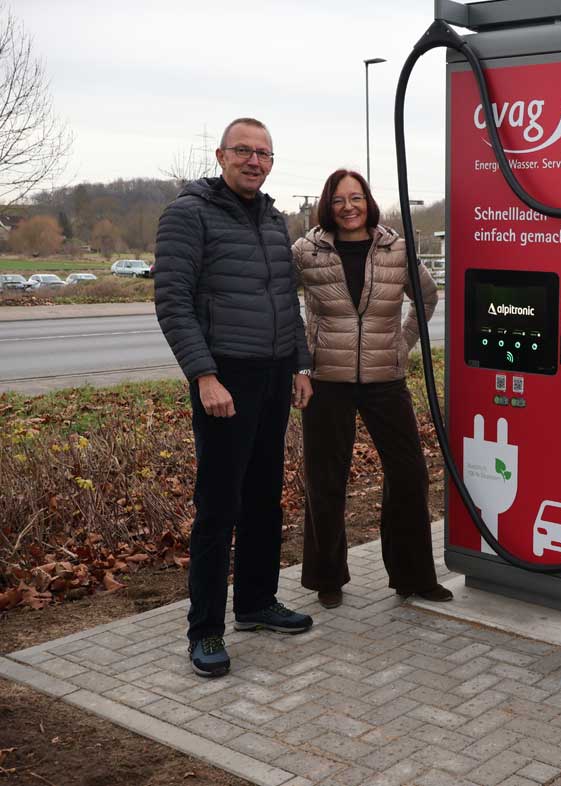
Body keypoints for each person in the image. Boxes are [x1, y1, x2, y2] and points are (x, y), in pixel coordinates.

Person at [155, 118, 315, 679]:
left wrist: (299, 364)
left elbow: (286, 300)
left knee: (264, 497)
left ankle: (254, 603)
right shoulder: (189, 212)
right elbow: (172, 301)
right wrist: (203, 375)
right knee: (219, 506)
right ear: (221, 154)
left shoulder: (275, 219)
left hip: (274, 376)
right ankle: (205, 631)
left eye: (264, 153)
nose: (255, 160)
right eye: (244, 151)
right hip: (225, 379)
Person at [291, 169, 451, 609]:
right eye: (340, 199)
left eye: (356, 198)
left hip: (385, 379)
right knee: (326, 480)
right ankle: (326, 578)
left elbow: (428, 295)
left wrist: (403, 341)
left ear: (368, 201)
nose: (348, 207)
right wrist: (300, 360)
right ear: (328, 203)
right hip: (327, 381)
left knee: (409, 474)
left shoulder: (395, 247)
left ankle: (413, 577)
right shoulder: (307, 251)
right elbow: (281, 302)